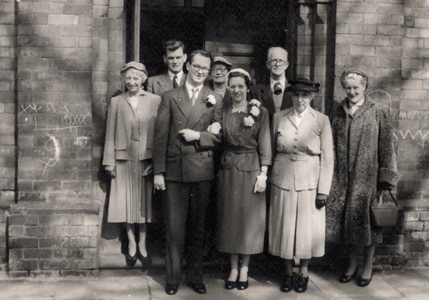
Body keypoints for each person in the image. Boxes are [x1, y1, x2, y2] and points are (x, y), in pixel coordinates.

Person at [152, 50, 223, 296]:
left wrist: (199, 136)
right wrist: (159, 171)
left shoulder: (214, 98)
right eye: (197, 66)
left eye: (206, 68)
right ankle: (172, 279)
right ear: (188, 65)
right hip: (174, 172)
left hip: (202, 171)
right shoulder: (170, 97)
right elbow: (160, 136)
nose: (201, 71)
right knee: (174, 229)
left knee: (197, 229)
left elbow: (220, 136)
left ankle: (195, 277)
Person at [328, 71, 400, 287]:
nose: (351, 92)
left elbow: (387, 147)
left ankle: (367, 265)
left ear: (364, 87)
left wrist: (385, 179)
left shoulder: (378, 111)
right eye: (347, 88)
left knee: (369, 226)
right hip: (342, 178)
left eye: (355, 88)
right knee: (346, 225)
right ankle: (351, 264)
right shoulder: (338, 111)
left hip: (367, 179)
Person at [269, 78, 334, 293]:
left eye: (305, 95)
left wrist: (323, 190)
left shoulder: (321, 120)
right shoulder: (279, 117)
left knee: (306, 228)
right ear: (291, 96)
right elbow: (271, 149)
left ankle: (303, 272)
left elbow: (327, 157)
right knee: (285, 226)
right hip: (283, 178)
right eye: (296, 94)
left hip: (310, 181)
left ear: (312, 97)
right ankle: (287, 271)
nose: (300, 99)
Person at [216, 69, 271, 291]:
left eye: (240, 86)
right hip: (228, 169)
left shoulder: (261, 112)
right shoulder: (224, 110)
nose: (236, 90)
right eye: (233, 86)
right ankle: (233, 268)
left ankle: (245, 267)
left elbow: (265, 143)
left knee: (248, 222)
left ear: (248, 87)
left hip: (251, 169)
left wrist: (263, 174)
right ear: (228, 88)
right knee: (230, 220)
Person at [103, 61, 161, 270]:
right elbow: (110, 132)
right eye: (128, 78)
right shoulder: (117, 102)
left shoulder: (155, 100)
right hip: (123, 159)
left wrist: (157, 162)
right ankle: (131, 242)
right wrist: (109, 161)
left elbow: (160, 134)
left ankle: (144, 244)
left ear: (144, 79)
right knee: (125, 204)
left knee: (143, 205)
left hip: (145, 160)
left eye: (136, 78)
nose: (132, 82)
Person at [251, 47, 293, 121]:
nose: (277, 64)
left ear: (286, 65)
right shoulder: (256, 91)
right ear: (267, 65)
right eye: (274, 61)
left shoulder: (294, 89)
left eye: (281, 61)